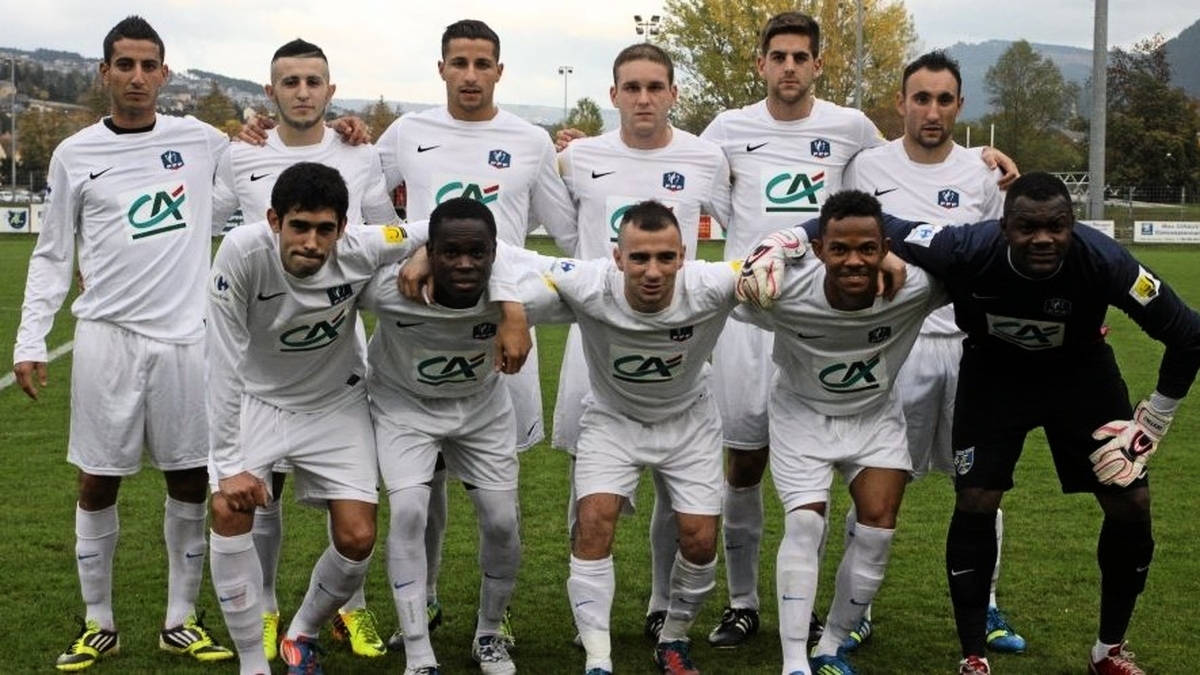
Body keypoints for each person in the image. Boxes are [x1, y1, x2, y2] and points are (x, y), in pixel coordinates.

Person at [746, 172, 1200, 675]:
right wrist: (779, 243)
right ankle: (973, 656)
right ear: (1003, 227)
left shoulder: (1106, 260)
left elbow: (1189, 333)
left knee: (1131, 502)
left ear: (1072, 225)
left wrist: (1151, 423)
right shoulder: (963, 247)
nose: (1043, 239)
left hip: (1081, 375)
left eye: (1056, 226)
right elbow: (865, 222)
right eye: (1027, 227)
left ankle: (1108, 650)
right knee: (976, 498)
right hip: (995, 374)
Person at [12, 15, 234, 671]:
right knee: (97, 478)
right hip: (106, 341)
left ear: (165, 74)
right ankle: (99, 621)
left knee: (190, 476)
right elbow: (53, 254)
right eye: (125, 64)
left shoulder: (201, 140)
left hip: (185, 341)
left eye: (149, 65)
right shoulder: (74, 154)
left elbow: (265, 159)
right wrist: (30, 338)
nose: (137, 76)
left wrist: (342, 130)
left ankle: (180, 619)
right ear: (104, 72)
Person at [373, 19, 578, 647]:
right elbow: (372, 210)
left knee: (498, 498)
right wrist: (414, 249)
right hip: (427, 330)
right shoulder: (406, 131)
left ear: (499, 71)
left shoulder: (531, 140)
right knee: (422, 484)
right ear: (441, 69)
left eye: (481, 64)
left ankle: (497, 613)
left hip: (502, 331)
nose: (470, 75)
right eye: (458, 63)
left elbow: (567, 234)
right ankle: (426, 597)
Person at [211, 37, 397, 661]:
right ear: (270, 91)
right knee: (254, 500)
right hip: (261, 361)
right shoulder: (242, 151)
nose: (302, 92)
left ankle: (349, 609)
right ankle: (263, 613)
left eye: (313, 81)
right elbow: (201, 219)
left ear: (330, 89)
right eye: (289, 82)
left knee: (355, 522)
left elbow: (386, 229)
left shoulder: (358, 149)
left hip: (335, 359)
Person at [204, 162, 428, 675]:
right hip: (258, 401)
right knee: (228, 508)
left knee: (357, 539)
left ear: (343, 228)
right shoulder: (241, 253)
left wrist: (420, 254)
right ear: (274, 220)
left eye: (325, 229)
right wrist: (229, 465)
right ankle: (251, 664)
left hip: (335, 404)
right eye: (299, 226)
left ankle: (301, 632)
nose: (311, 242)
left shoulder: (365, 246)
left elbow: (441, 225)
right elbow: (222, 363)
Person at [840, 50, 1024, 653]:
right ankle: (853, 609)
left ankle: (987, 606)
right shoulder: (866, 166)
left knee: (981, 488)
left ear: (959, 106)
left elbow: (1000, 255)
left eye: (945, 100)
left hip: (970, 352)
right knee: (875, 486)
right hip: (894, 351)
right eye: (921, 98)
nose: (932, 111)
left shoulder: (982, 174)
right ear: (901, 102)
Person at [551, 41, 732, 641]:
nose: (644, 98)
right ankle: (587, 615)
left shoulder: (705, 156)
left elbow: (742, 224)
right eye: (632, 87)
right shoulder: (577, 156)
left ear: (674, 93)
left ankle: (661, 602)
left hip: (678, 339)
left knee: (674, 486)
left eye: (656, 87)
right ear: (614, 95)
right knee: (590, 484)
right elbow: (558, 232)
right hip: (598, 338)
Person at [737, 190, 946, 674]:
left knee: (878, 528)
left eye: (867, 249)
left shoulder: (916, 287)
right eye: (840, 249)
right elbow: (700, 290)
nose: (854, 261)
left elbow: (982, 268)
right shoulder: (782, 292)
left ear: (885, 248)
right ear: (818, 250)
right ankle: (794, 661)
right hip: (801, 415)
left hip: (874, 417)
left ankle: (830, 644)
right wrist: (766, 252)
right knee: (805, 524)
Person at [360, 197, 565, 675]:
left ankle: (489, 634)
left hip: (480, 412)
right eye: (450, 253)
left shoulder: (527, 295)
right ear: (430, 251)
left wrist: (512, 309)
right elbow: (331, 271)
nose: (465, 264)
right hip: (404, 409)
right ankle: (418, 651)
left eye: (478, 253)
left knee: (502, 522)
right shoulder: (387, 289)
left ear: (496, 253)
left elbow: (598, 278)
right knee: (409, 511)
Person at [535, 201, 739, 675]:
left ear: (683, 255)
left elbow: (789, 261)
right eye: (640, 257)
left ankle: (673, 639)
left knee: (700, 541)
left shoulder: (711, 283)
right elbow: (506, 259)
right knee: (593, 522)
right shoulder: (588, 281)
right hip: (613, 419)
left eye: (665, 257)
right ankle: (598, 659)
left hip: (689, 422)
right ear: (617, 257)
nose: (653, 271)